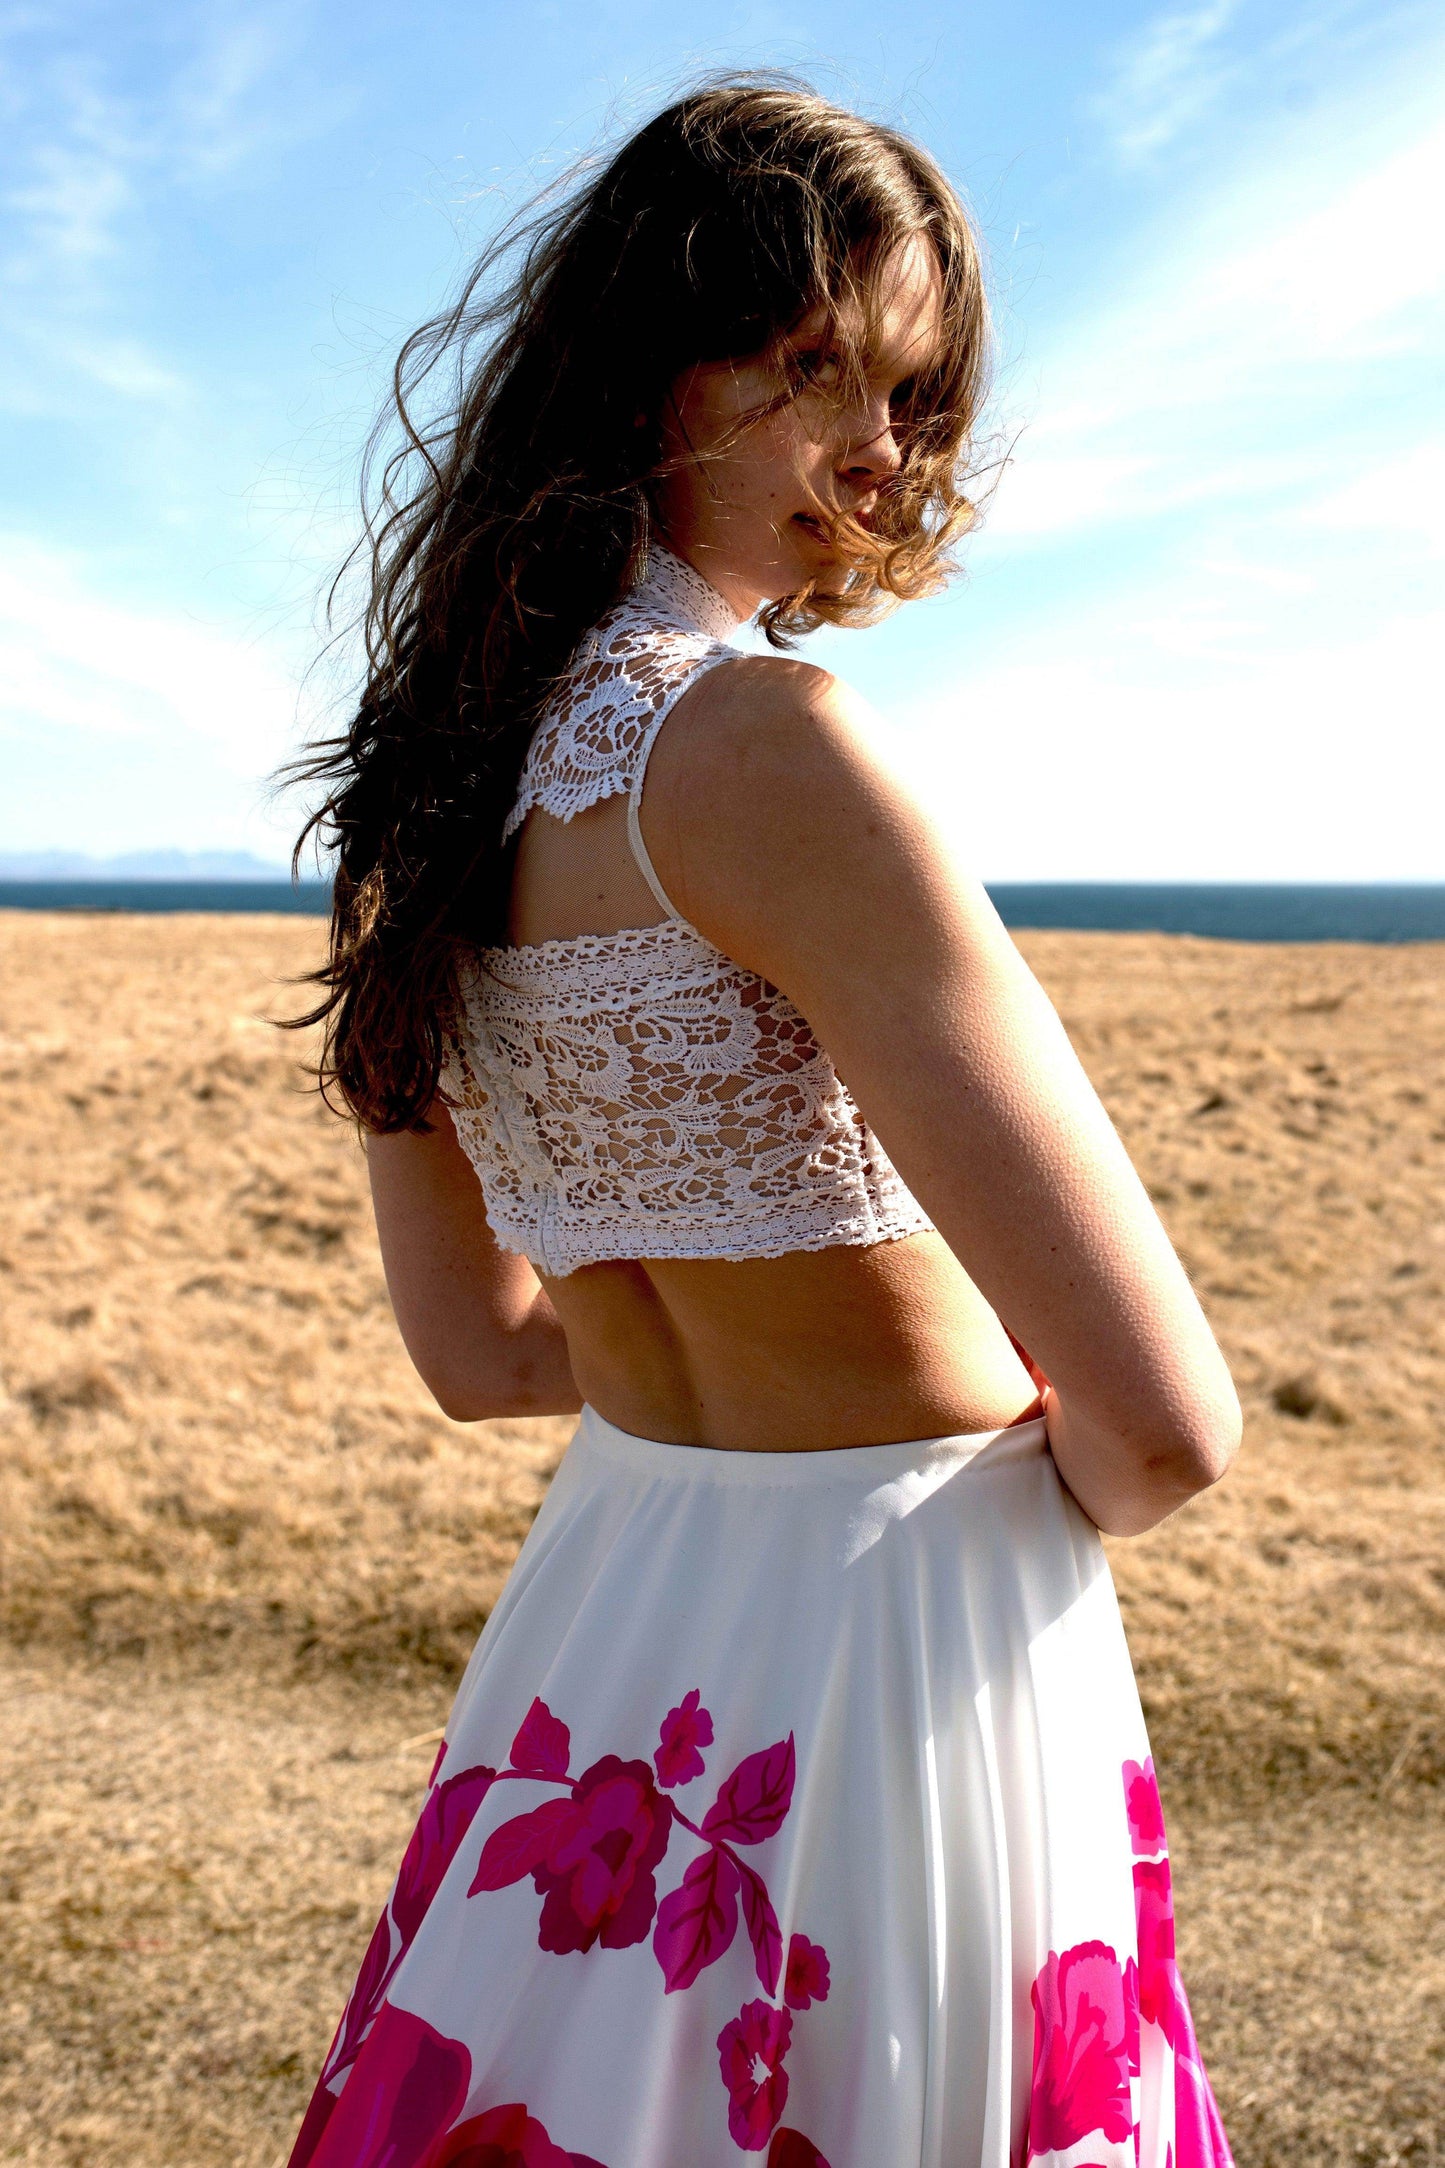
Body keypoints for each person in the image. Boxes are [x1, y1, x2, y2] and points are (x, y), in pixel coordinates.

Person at [282, 78, 1241, 2168]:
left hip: (613, 1599)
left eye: (909, 389)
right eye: (815, 366)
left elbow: (477, 1354)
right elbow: (1167, 1427)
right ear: (657, 360)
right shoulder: (768, 746)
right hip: (904, 1631)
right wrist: (987, 1496)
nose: (880, 447)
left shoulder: (415, 796)